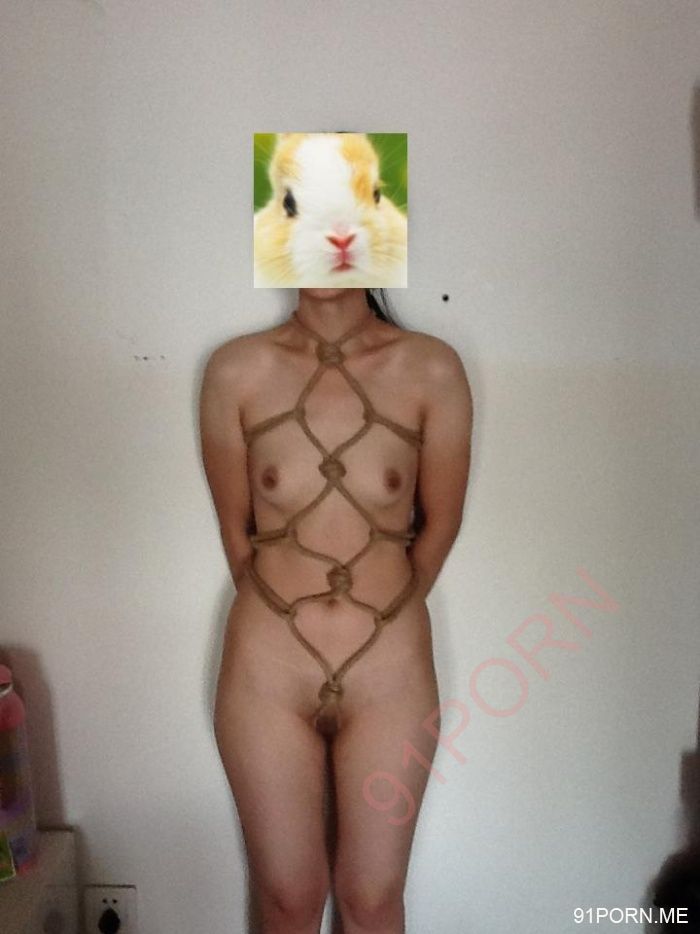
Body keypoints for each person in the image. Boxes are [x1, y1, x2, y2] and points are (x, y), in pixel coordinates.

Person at [199, 287, 472, 934]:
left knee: (372, 900)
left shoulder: (433, 368)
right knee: (288, 898)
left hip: (388, 673)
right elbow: (237, 535)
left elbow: (441, 524)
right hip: (268, 669)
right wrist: (287, 615)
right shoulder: (235, 370)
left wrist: (381, 615)